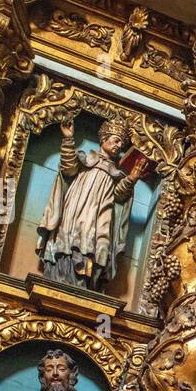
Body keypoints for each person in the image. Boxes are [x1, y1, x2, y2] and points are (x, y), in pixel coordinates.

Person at [37, 117, 134, 292]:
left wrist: (133, 178)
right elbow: (68, 168)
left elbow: (119, 197)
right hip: (76, 210)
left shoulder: (115, 174)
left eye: (122, 143)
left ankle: (85, 284)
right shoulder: (86, 160)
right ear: (103, 139)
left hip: (100, 215)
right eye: (116, 140)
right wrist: (68, 139)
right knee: (71, 240)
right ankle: (61, 275)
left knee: (94, 246)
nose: (119, 145)